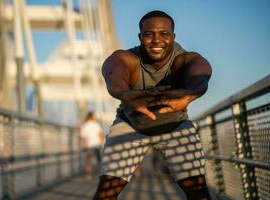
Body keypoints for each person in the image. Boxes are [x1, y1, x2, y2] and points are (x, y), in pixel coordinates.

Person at [93, 10, 212, 200]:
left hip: (175, 126)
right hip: (131, 125)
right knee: (105, 194)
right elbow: (112, 71)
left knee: (199, 194)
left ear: (173, 36)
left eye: (164, 34)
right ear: (140, 37)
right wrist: (127, 95)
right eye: (149, 35)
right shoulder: (128, 58)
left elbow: (201, 72)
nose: (156, 40)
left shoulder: (183, 59)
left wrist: (190, 95)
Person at [80, 112, 104, 178]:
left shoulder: (84, 125)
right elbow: (101, 135)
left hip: (89, 145)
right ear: (93, 117)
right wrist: (101, 143)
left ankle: (88, 175)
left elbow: (83, 137)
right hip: (96, 145)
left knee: (88, 160)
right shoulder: (97, 125)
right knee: (98, 160)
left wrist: (83, 145)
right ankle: (100, 173)